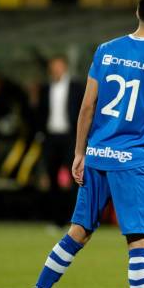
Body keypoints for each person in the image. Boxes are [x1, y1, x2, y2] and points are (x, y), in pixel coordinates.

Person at [16, 0, 144, 288]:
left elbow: (87, 106)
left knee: (79, 231)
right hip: (130, 158)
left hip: (96, 154)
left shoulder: (105, 50)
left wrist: (79, 153)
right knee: (139, 239)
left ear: (137, 11)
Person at [37, 55, 85, 227]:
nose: (56, 69)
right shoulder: (45, 88)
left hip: (69, 137)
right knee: (52, 177)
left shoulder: (76, 87)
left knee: (70, 178)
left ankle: (74, 218)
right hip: (51, 138)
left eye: (58, 65)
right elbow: (40, 113)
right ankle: (56, 220)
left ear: (64, 66)